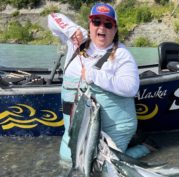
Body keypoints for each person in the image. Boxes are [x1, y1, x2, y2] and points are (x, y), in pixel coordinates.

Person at [48, 3, 154, 162]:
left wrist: (95, 76)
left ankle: (145, 147)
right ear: (89, 25)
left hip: (114, 128)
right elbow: (52, 18)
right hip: (77, 126)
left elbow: (131, 87)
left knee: (105, 164)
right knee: (68, 159)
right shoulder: (77, 41)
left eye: (108, 24)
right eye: (96, 22)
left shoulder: (122, 54)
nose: (101, 28)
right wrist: (72, 30)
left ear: (115, 29)